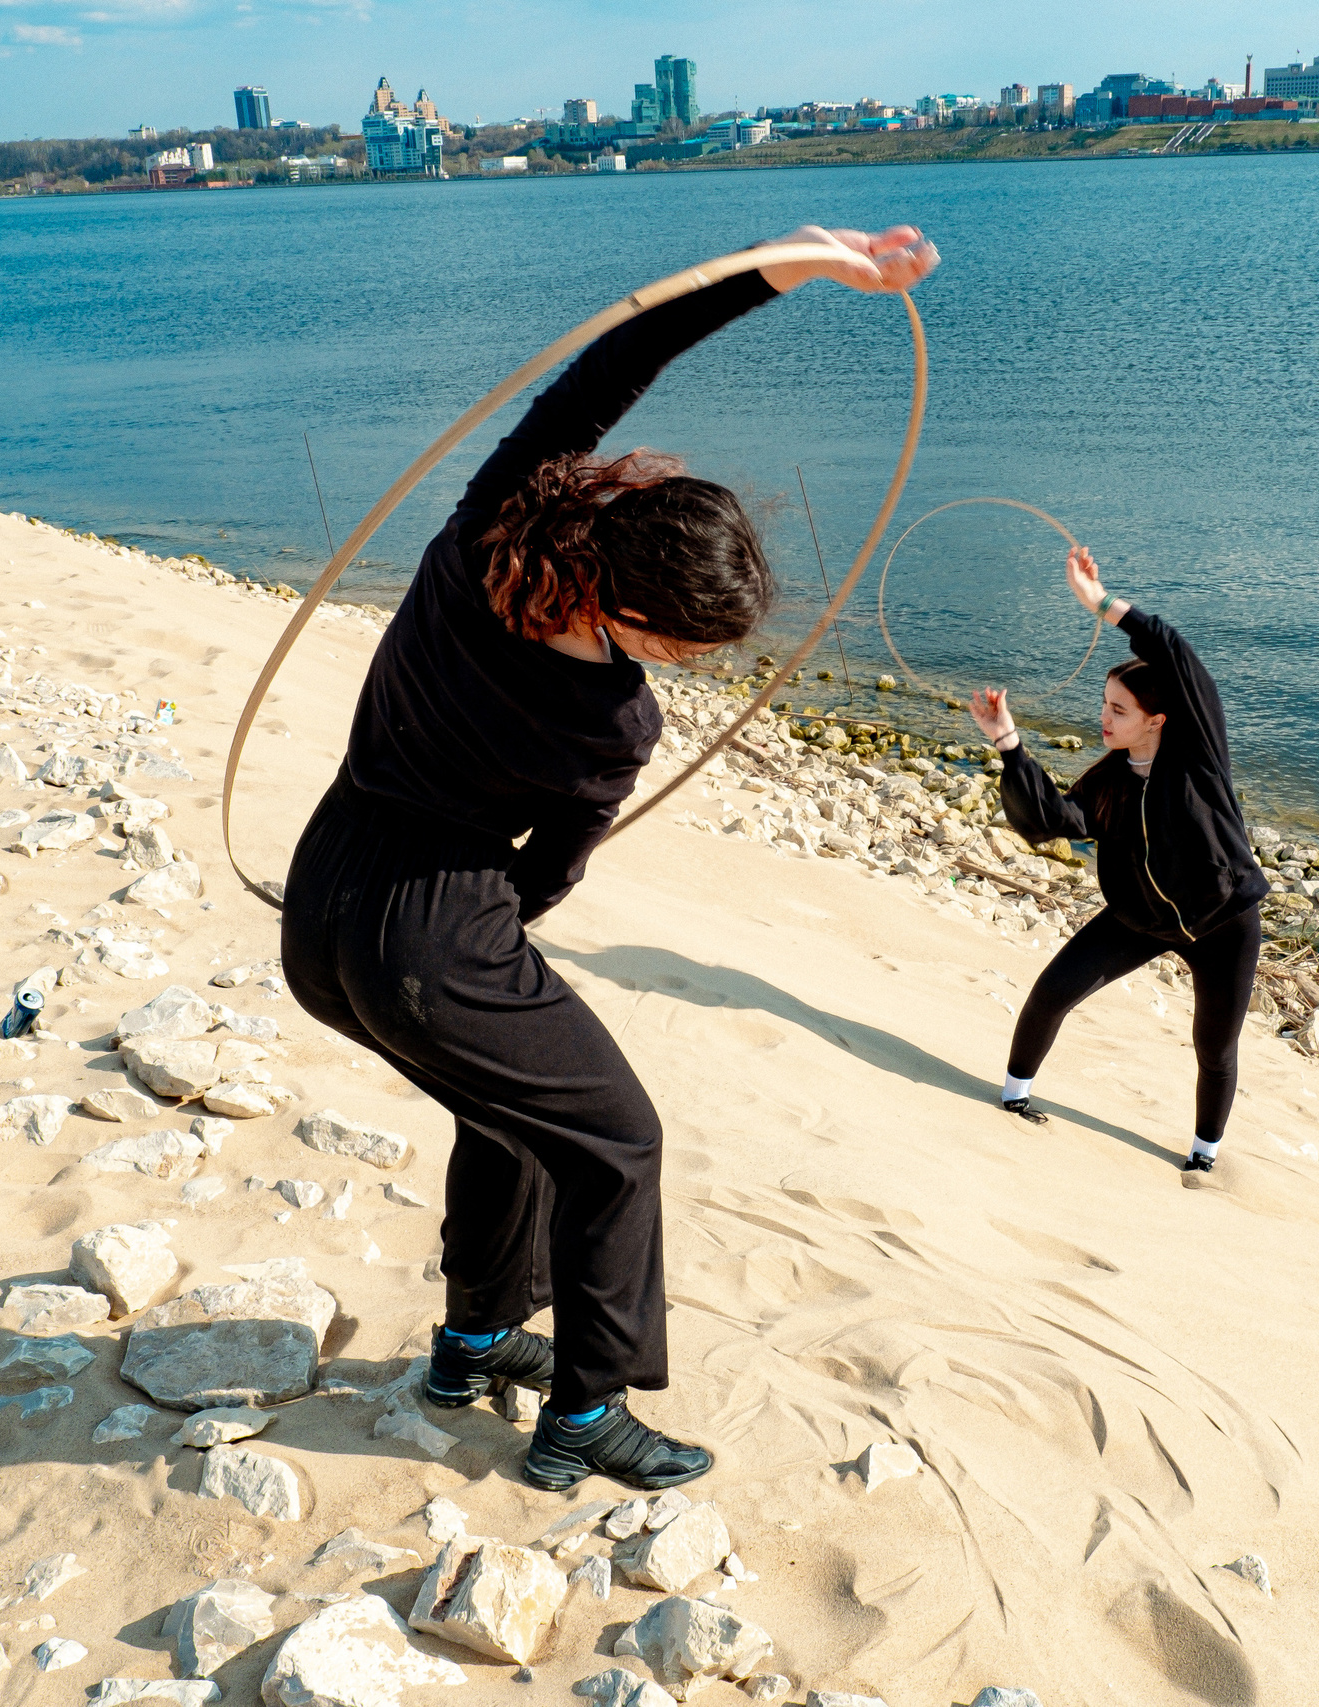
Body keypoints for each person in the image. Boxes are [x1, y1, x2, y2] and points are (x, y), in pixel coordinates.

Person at [281, 225, 941, 1491]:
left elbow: (616, 358)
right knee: (616, 1141)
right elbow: (543, 882)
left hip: (325, 898)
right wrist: (466, 942)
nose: (690, 667)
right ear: (621, 607)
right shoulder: (612, 726)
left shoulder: (492, 531)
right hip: (435, 928)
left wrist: (797, 263)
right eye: (686, 644)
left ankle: (473, 1343)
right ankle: (585, 1414)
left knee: (510, 1111)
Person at [968, 547, 1269, 1174]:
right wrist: (1008, 744)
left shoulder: (1199, 758)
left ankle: (1204, 1159)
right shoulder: (1107, 782)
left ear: (1156, 720)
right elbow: (1049, 822)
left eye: (1118, 711)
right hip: (1138, 918)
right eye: (1103, 705)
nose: (1102, 719)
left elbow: (1175, 652)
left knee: (1213, 1048)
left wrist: (1100, 603)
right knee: (1052, 992)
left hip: (1223, 923)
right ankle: (1013, 1099)